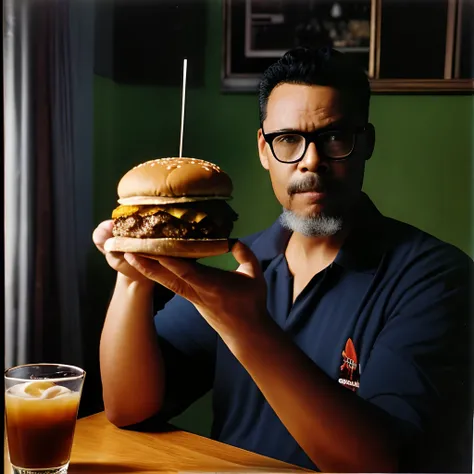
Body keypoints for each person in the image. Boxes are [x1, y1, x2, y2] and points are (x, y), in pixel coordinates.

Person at [93, 47, 473, 473]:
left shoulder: (439, 279)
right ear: (263, 150)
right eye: (288, 139)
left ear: (364, 143)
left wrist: (246, 328)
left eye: (334, 138)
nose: (311, 161)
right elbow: (129, 408)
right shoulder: (242, 262)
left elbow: (382, 465)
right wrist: (133, 276)